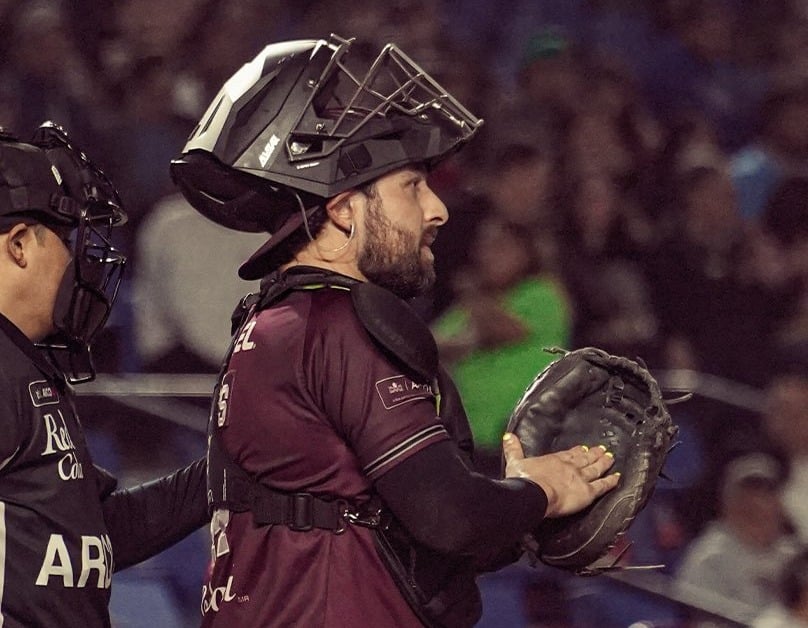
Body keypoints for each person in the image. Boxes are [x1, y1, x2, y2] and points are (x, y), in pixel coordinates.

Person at [169, 34, 620, 627]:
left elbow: (407, 533)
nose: (438, 210)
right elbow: (448, 515)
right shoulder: (337, 324)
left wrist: (513, 511)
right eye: (412, 185)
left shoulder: (278, 321)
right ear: (342, 208)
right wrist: (544, 491)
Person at [0, 121, 208, 627]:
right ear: (21, 244)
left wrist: (228, 468)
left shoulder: (23, 363)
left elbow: (94, 532)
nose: (79, 260)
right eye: (66, 238)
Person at [675, 452, 801, 626]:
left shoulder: (794, 556)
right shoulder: (709, 558)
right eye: (747, 499)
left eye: (767, 494)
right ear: (727, 505)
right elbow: (702, 621)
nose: (759, 503)